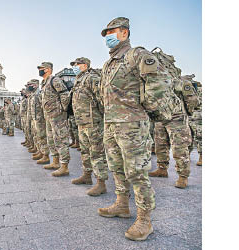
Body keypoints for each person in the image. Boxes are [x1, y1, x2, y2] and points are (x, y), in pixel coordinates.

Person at [98, 17, 174, 241]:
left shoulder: (137, 55)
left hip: (132, 124)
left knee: (137, 173)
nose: (107, 37)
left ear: (123, 33)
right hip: (111, 124)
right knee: (117, 167)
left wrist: (147, 109)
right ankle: (122, 204)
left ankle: (144, 219)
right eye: (105, 34)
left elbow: (159, 82)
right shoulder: (109, 63)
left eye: (110, 32)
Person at [69, 57, 109, 196]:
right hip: (82, 122)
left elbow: (102, 99)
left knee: (97, 153)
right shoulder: (78, 80)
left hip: (94, 123)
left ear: (84, 65)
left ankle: (101, 183)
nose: (74, 66)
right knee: (85, 151)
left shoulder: (92, 78)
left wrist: (101, 117)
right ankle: (87, 176)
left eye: (76, 64)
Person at [37, 62, 71, 177]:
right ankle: (55, 162)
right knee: (51, 140)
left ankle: (64, 166)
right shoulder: (44, 83)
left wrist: (62, 109)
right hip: (49, 116)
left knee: (61, 140)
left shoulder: (54, 80)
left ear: (48, 69)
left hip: (57, 116)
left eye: (42, 68)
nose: (40, 70)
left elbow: (65, 94)